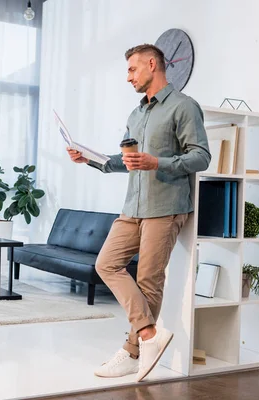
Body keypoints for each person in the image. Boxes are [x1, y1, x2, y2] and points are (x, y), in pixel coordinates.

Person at [67, 44, 211, 382]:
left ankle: (132, 353)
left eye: (132, 70)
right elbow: (127, 161)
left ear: (151, 64)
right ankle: (148, 334)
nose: (128, 77)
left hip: (165, 206)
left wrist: (156, 162)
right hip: (133, 205)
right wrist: (89, 158)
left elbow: (201, 157)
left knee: (148, 280)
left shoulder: (184, 107)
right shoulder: (137, 114)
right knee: (106, 264)